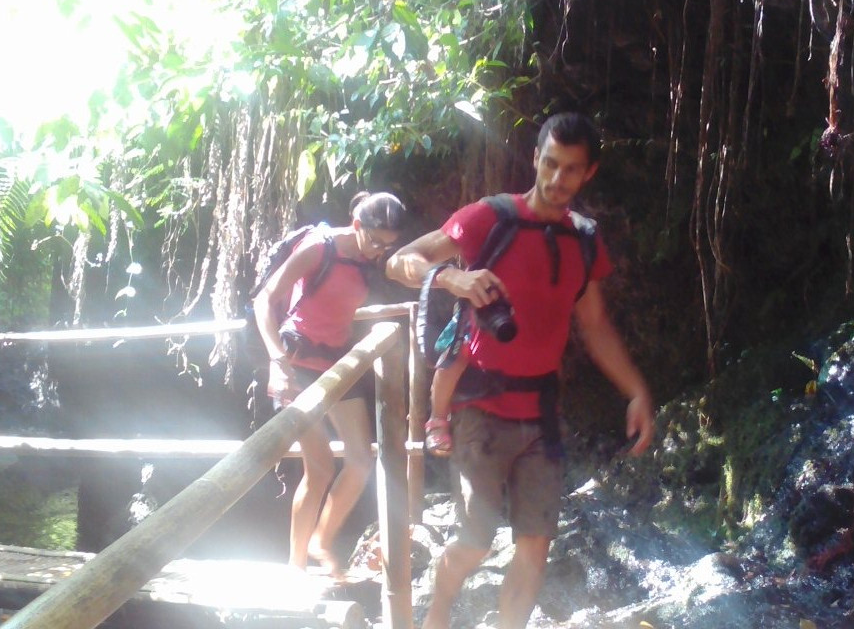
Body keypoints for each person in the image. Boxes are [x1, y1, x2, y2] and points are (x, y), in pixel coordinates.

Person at [386, 112, 655, 629]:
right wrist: (452, 280)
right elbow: (401, 261)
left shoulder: (583, 240)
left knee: (535, 546)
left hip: (542, 411)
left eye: (571, 170)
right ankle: (436, 612)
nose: (557, 179)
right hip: (479, 407)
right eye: (550, 164)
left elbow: (595, 326)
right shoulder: (490, 218)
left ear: (588, 173)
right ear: (535, 158)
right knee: (474, 542)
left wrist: (636, 391)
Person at [253, 190, 406, 578]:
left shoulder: (370, 260)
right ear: (357, 225)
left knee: (360, 459)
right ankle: (296, 566)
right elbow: (264, 300)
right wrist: (276, 362)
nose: (379, 251)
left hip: (336, 365)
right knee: (319, 467)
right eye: (374, 241)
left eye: (388, 245)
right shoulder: (319, 248)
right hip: (297, 362)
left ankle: (322, 540)